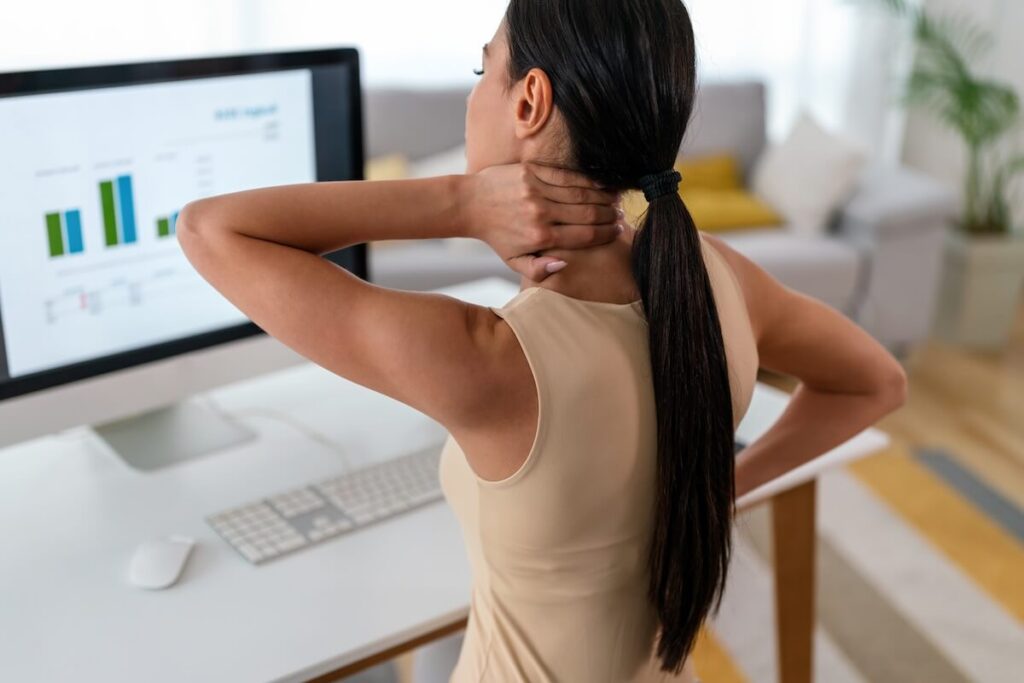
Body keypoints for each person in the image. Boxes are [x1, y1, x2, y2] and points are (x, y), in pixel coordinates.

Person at [177, 1, 908, 680]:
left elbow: (209, 230)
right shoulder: (723, 280)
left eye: (480, 70)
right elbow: (877, 381)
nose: (472, 96)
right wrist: (716, 492)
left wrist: (458, 201)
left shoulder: (490, 358)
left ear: (528, 101)